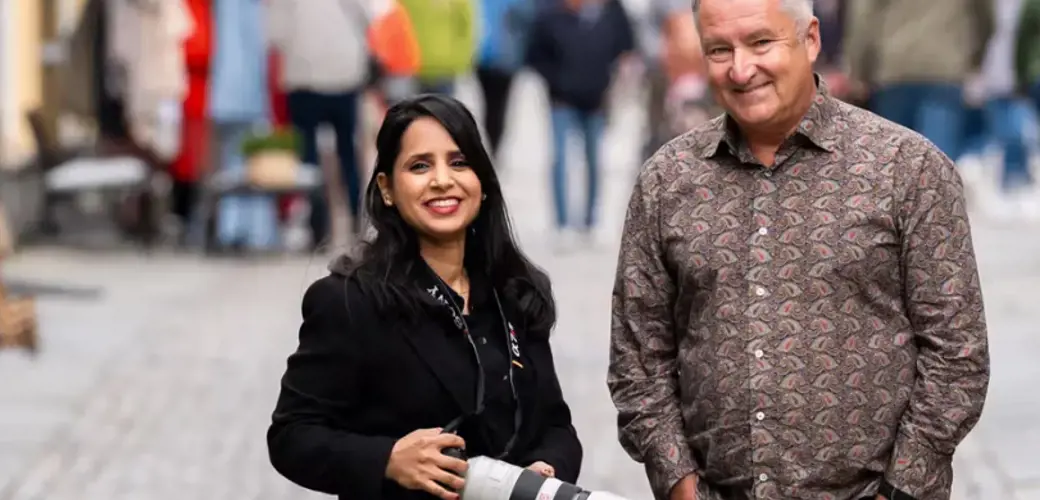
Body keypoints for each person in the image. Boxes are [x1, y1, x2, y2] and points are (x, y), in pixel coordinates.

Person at [607, 0, 991, 499]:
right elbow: (638, 358)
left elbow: (957, 355)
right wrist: (679, 482)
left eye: (761, 43)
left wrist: (900, 488)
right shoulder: (667, 181)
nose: (741, 69)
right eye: (719, 50)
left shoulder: (907, 169)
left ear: (810, 39)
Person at [267, 94, 583, 500]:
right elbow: (292, 436)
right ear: (387, 189)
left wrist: (543, 474)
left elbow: (556, 425)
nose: (441, 180)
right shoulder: (349, 300)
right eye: (419, 166)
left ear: (482, 181)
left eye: (459, 162)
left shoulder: (516, 290)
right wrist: (388, 459)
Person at [527, 0, 635, 251]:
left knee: (595, 161)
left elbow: (626, 48)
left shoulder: (610, 13)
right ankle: (563, 224)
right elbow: (534, 56)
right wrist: (556, 82)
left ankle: (590, 223)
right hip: (561, 101)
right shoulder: (550, 16)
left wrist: (616, 82)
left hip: (596, 101)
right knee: (561, 159)